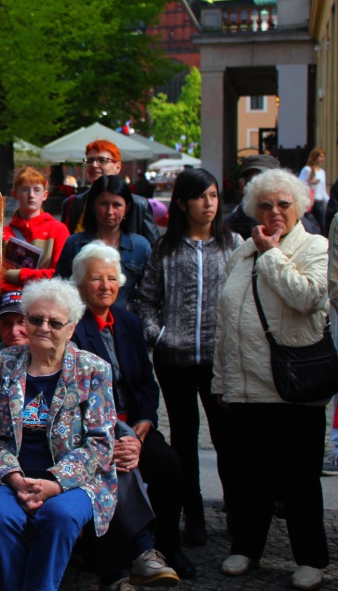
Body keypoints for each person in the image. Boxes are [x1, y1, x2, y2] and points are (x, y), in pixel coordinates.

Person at [211, 168, 329, 590]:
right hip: (246, 389)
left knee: (299, 481)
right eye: (265, 204)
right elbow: (227, 321)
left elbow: (308, 296)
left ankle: (311, 557)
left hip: (294, 387)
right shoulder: (243, 251)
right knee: (250, 479)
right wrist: (221, 381)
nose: (274, 211)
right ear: (252, 209)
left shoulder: (315, 246)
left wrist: (273, 254)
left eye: (283, 204)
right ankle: (246, 547)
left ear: (299, 207)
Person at [0, 278, 116, 591]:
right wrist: (14, 477)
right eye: (35, 319)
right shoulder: (1, 364)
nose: (43, 327)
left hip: (76, 481)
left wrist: (55, 483)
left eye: (55, 322)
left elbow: (100, 443)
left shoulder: (93, 370)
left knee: (59, 517)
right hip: (9, 476)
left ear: (71, 328)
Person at [69, 243, 189, 587]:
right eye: (95, 279)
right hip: (92, 428)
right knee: (111, 466)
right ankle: (116, 562)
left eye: (111, 278)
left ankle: (167, 547)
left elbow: (147, 384)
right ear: (80, 286)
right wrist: (116, 434)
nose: (105, 285)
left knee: (167, 464)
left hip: (134, 424)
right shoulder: (73, 327)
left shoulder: (128, 321)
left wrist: (146, 420)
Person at [134, 168, 241, 550]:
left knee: (228, 441)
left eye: (213, 196)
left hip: (219, 361)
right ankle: (192, 515)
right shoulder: (166, 249)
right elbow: (146, 300)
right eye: (201, 197)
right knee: (184, 440)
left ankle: (238, 514)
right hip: (175, 360)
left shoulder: (234, 246)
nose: (209, 204)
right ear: (182, 203)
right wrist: (160, 335)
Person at [56, 174, 151, 308]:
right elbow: (60, 288)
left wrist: (131, 309)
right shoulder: (74, 244)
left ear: (127, 208)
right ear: (93, 205)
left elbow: (150, 296)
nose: (109, 211)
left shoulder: (141, 247)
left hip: (125, 324)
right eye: (103, 204)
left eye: (117, 205)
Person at [60, 140, 158, 244]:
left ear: (118, 167)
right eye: (89, 160)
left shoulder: (139, 205)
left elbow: (155, 249)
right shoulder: (72, 204)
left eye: (102, 160)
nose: (94, 165)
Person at [1, 167, 69, 293]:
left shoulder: (58, 230)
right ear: (15, 194)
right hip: (10, 303)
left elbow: (59, 274)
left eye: (37, 190)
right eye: (25, 190)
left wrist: (17, 275)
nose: (31, 195)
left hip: (46, 300)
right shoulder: (3, 233)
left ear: (45, 195)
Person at [225, 154, 280, 239]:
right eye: (252, 181)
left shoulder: (294, 226)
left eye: (266, 181)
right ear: (241, 185)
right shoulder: (226, 229)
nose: (258, 187)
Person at [299, 147, 328, 231]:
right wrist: (310, 183)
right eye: (320, 157)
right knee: (307, 224)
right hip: (309, 202)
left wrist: (330, 202)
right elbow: (299, 184)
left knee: (324, 224)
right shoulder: (307, 170)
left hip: (319, 202)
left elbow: (323, 191)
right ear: (314, 157)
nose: (322, 159)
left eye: (323, 157)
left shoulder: (322, 172)